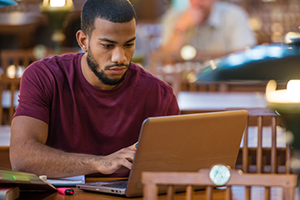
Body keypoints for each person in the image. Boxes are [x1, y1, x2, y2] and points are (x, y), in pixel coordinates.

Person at [9, 0, 180, 178]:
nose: (119, 58)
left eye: (128, 45)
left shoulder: (160, 94)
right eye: (107, 46)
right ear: (83, 41)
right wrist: (100, 162)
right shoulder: (44, 76)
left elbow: (178, 163)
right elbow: (22, 158)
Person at [160, 0, 257, 57]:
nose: (198, 3)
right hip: (184, 85)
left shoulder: (234, 15)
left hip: (224, 84)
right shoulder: (174, 18)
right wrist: (181, 29)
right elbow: (165, 59)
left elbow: (243, 56)